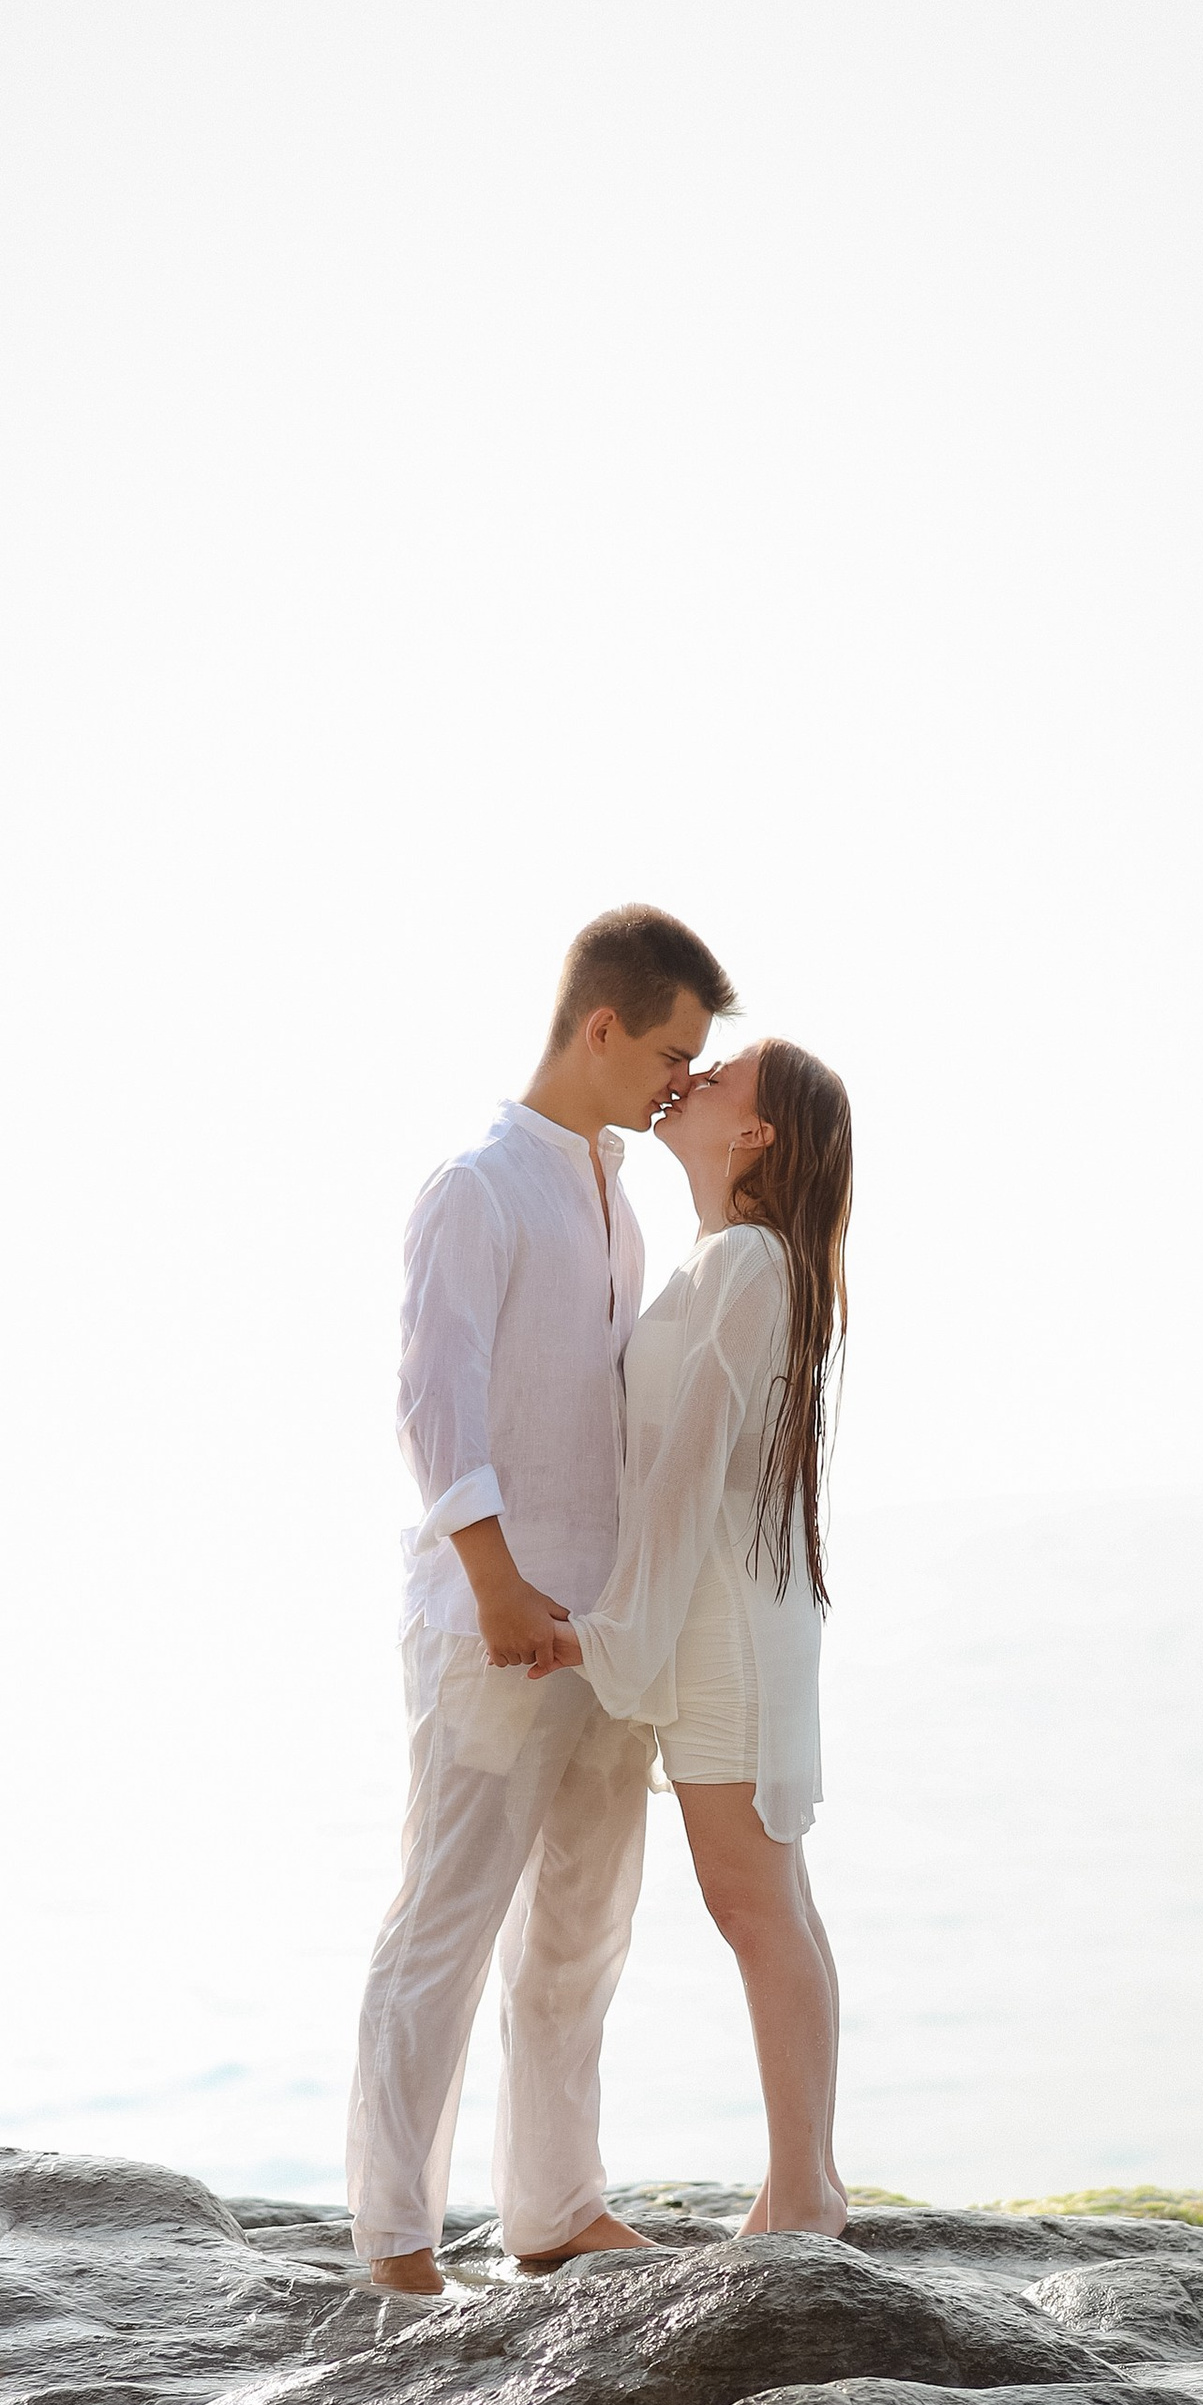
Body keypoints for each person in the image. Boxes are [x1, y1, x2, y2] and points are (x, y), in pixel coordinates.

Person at [346, 904, 738, 2297]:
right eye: (672, 1053)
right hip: (495, 1622)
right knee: (444, 1925)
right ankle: (393, 2241)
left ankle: (556, 2209)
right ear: (602, 1026)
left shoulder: (615, 1196)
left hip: (604, 1627)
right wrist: (499, 1582)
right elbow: (431, 1401)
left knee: (583, 1922)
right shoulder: (478, 1184)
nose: (680, 1082)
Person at [540, 1040, 854, 2236]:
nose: (696, 1075)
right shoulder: (734, 1262)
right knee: (774, 1901)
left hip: (717, 1626)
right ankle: (800, 2182)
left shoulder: (746, 1266)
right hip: (727, 1615)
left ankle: (807, 2196)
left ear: (755, 1133)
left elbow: (683, 1480)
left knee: (753, 1903)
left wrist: (604, 1635)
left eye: (720, 1073)